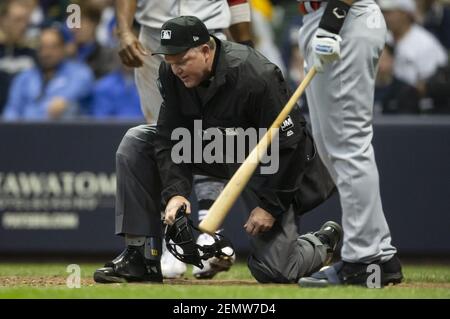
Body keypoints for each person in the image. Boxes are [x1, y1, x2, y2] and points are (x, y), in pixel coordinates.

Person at [93, 16, 340, 284]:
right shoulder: (171, 72)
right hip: (214, 148)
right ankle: (140, 256)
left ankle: (324, 240)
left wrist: (270, 206)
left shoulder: (256, 74)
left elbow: (291, 144)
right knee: (138, 141)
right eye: (170, 61)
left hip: (266, 163)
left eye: (182, 60)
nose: (176, 69)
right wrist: (175, 193)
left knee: (276, 271)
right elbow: (168, 137)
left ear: (206, 51)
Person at [114, 0, 253, 279]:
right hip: (155, 38)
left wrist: (245, 44)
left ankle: (208, 232)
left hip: (208, 34)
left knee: (211, 134)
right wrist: (124, 31)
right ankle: (174, 240)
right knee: (162, 134)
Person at [295, 0, 403, 287]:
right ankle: (381, 256)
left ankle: (362, 262)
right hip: (324, 20)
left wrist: (331, 23)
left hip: (343, 18)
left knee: (348, 147)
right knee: (332, 148)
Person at [2, 26, 94, 120]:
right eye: (42, 47)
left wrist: (64, 101)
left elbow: (72, 95)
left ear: (63, 48)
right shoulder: (24, 78)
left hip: (62, 130)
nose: (46, 53)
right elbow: (11, 110)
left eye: (52, 47)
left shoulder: (79, 73)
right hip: (25, 131)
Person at [0, 0, 36, 113]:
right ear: (3, 20)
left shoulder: (32, 54)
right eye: (17, 20)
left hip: (23, 121)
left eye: (25, 21)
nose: (23, 26)